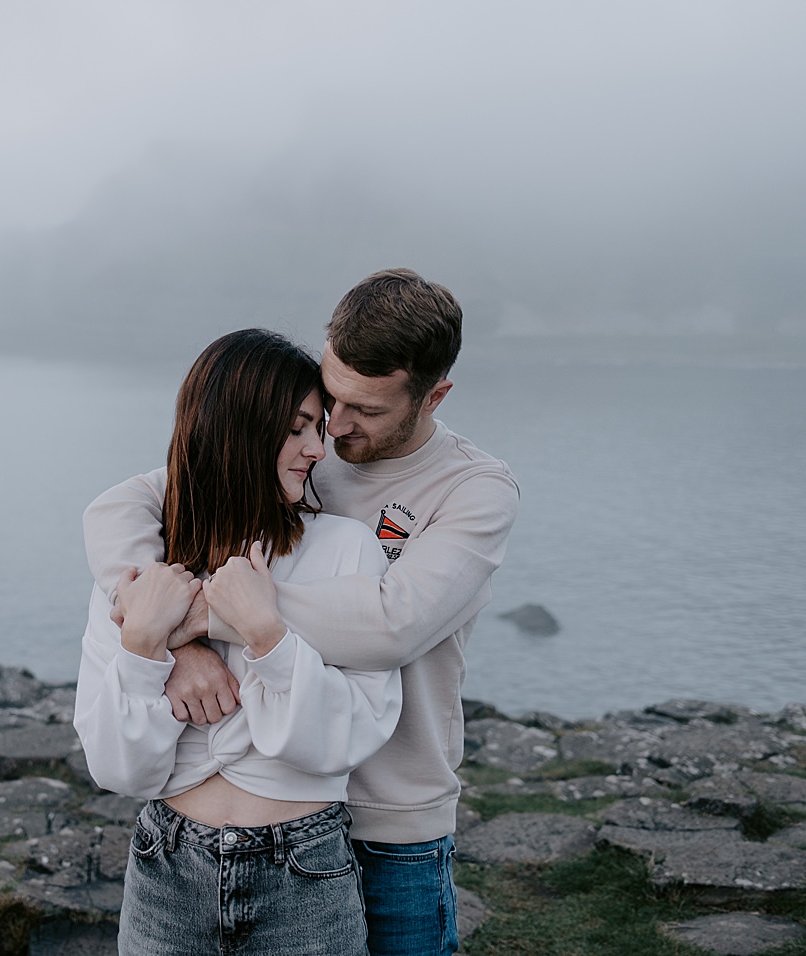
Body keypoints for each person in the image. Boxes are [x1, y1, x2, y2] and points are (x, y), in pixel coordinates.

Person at [85, 269, 519, 955]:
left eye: (365, 412)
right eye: (329, 400)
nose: (336, 431)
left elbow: (391, 624)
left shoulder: (473, 490)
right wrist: (159, 632)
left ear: (433, 396)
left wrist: (212, 618)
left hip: (391, 814)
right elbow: (126, 507)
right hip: (228, 821)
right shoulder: (296, 454)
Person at [74, 328, 402, 956]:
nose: (317, 450)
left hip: (303, 876)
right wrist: (146, 645)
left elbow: (349, 736)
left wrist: (266, 635)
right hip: (165, 871)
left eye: (319, 427)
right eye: (298, 428)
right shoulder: (138, 573)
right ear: (239, 428)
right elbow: (118, 768)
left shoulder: (345, 548)